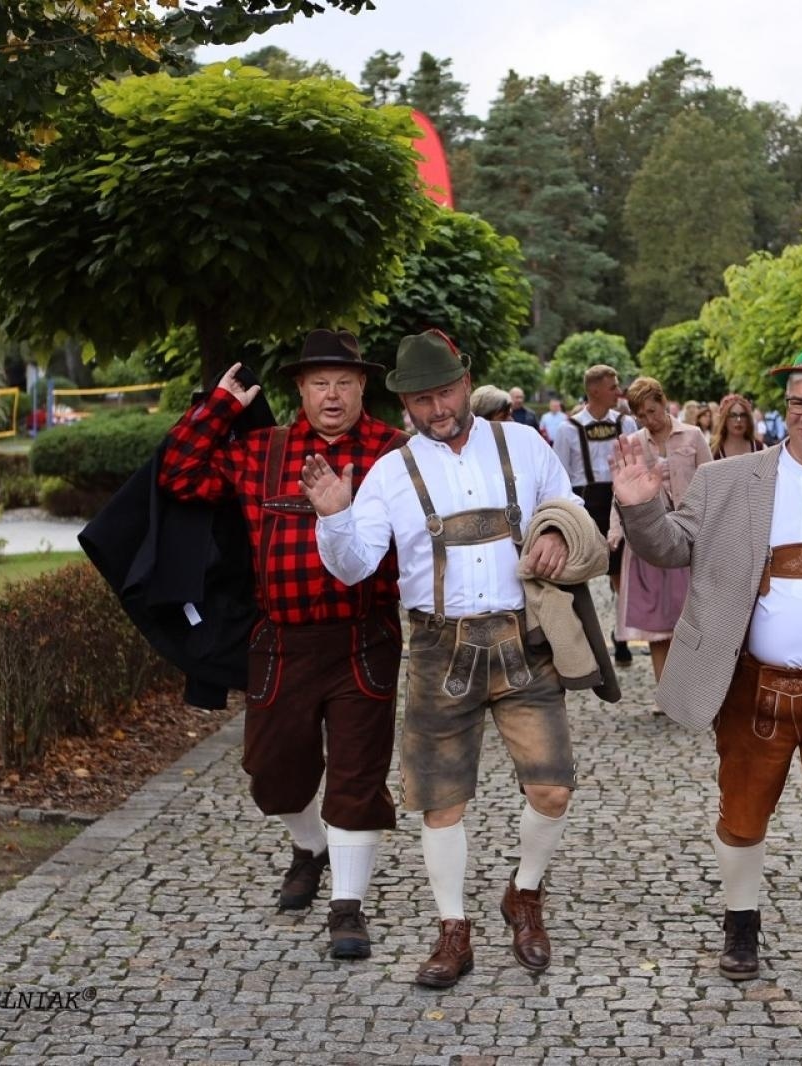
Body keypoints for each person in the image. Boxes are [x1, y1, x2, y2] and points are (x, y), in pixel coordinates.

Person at [612, 337, 802, 1027]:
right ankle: (741, 918)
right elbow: (669, 549)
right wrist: (638, 508)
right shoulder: (727, 479)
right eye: (796, 404)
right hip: (751, 687)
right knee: (742, 821)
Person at [306, 329, 607, 990]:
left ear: (466, 381)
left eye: (444, 392)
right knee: (441, 802)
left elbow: (572, 507)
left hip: (523, 638)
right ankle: (453, 929)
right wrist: (333, 517)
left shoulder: (524, 445)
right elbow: (355, 567)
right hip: (440, 648)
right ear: (405, 404)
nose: (436, 408)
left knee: (552, 788)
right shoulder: (391, 471)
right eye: (420, 399)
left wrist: (555, 530)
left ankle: (524, 893)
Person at [158, 329, 407, 961]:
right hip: (280, 642)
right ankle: (311, 846)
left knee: (356, 777)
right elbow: (179, 477)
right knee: (273, 777)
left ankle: (347, 909)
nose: (332, 395)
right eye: (319, 382)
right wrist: (218, 407)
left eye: (345, 383)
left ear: (363, 388)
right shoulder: (261, 452)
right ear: (299, 389)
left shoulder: (395, 451)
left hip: (364, 638)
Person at [607, 376, 711, 686]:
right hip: (649, 539)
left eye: (652, 411)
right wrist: (616, 530)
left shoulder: (692, 437)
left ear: (663, 403)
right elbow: (621, 494)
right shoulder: (635, 443)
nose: (648, 420)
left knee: (688, 620)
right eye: (641, 415)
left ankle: (689, 688)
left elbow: (712, 483)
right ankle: (665, 693)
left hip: (689, 537)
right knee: (657, 626)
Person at [550, 364, 638, 663]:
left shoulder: (626, 423)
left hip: (618, 504)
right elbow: (558, 474)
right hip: (584, 505)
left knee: (620, 576)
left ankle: (621, 634)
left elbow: (635, 465)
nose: (619, 391)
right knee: (578, 575)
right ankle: (580, 639)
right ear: (595, 390)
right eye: (613, 386)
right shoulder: (567, 428)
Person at [709, 393, 765, 459]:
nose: (739, 420)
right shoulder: (713, 450)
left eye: (743, 415)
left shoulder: (760, 448)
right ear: (724, 419)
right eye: (733, 415)